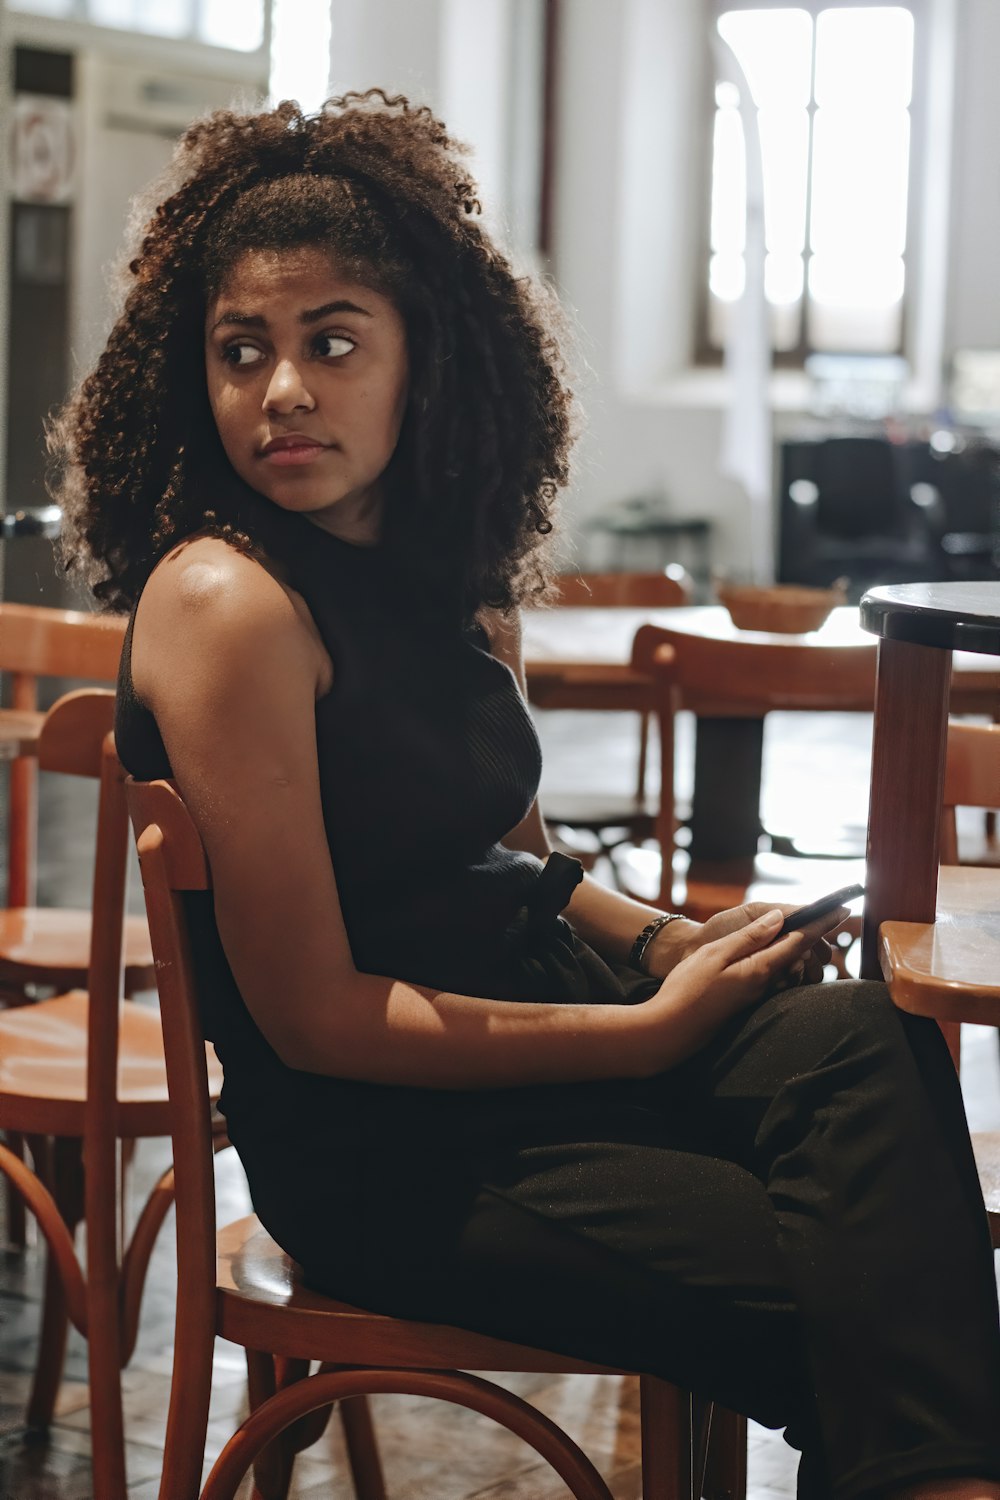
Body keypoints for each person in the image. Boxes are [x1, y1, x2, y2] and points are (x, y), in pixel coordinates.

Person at [51, 91, 1000, 1499]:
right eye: (240, 352)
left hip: (546, 1036)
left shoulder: (451, 572)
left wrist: (658, 941)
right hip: (393, 1147)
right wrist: (641, 1040)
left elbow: (512, 861)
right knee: (882, 1285)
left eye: (331, 342)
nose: (283, 392)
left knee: (866, 1037)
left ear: (421, 358)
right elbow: (315, 1017)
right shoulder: (224, 600)